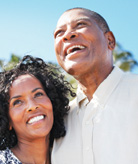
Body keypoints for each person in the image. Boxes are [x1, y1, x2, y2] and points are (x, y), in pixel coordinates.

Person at [52, 7, 138, 164]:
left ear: (110, 41)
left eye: (80, 24)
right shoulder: (55, 122)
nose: (68, 35)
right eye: (59, 33)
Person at [0, 55, 75, 164]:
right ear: (6, 120)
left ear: (52, 102)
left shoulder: (71, 156)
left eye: (38, 94)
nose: (32, 106)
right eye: (17, 102)